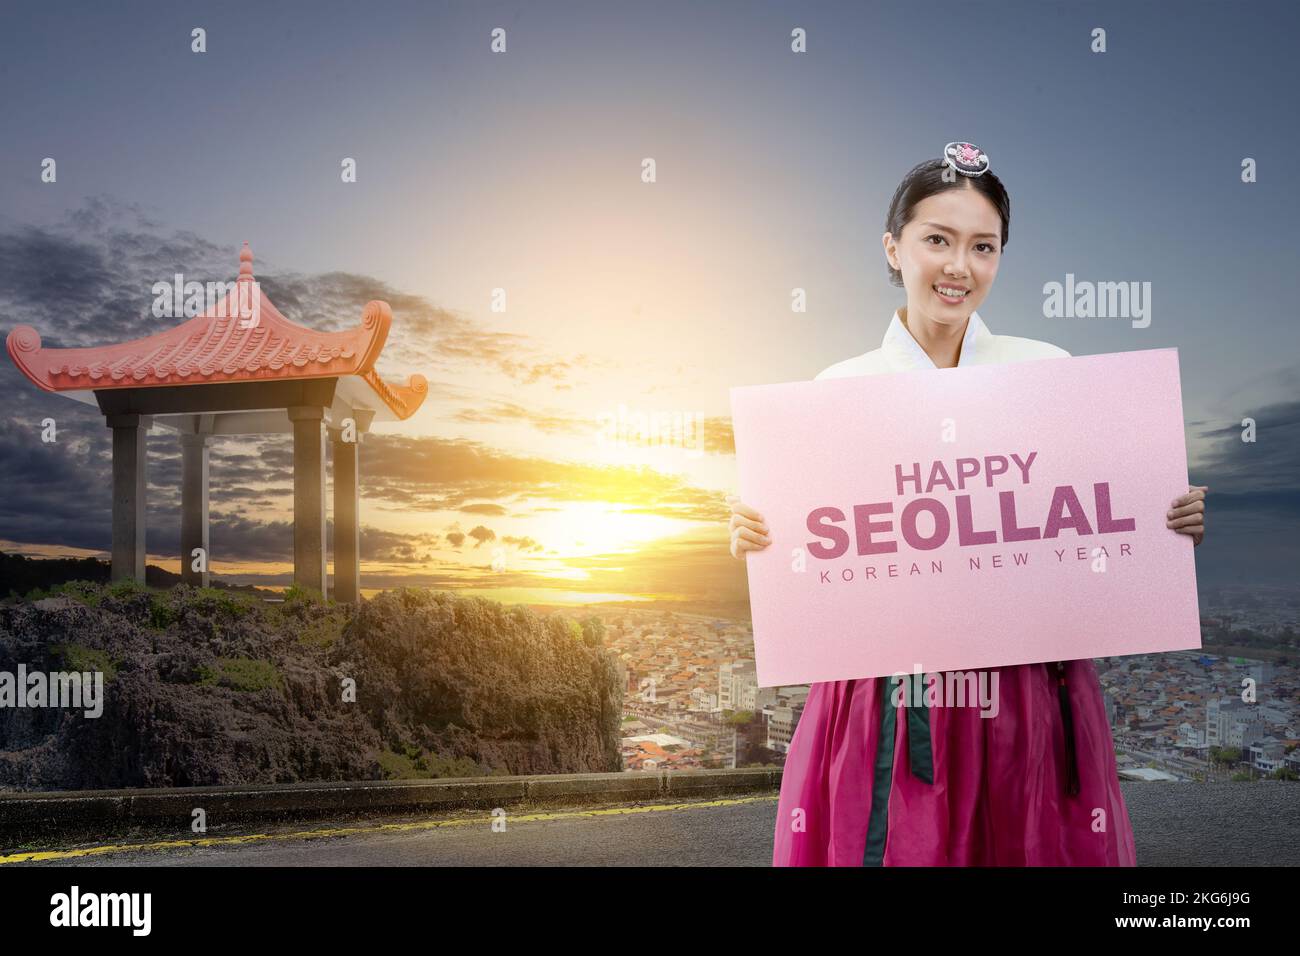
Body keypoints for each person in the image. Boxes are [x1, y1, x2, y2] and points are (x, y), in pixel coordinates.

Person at [727, 142, 1209, 866]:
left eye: (983, 246)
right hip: (884, 691)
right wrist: (760, 538)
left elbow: (1092, 519)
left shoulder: (1048, 371)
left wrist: (1163, 519)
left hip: (1025, 688)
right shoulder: (835, 390)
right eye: (937, 240)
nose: (959, 266)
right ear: (894, 248)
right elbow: (821, 550)